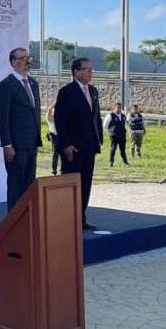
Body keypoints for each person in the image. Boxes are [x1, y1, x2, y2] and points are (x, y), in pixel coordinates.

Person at [53, 58, 103, 230]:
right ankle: (65, 220)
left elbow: (96, 117)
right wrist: (66, 144)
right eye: (86, 69)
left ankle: (80, 219)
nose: (90, 72)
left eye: (91, 69)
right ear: (76, 72)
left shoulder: (94, 91)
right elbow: (60, 120)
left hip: (90, 147)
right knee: (70, 186)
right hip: (73, 149)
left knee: (85, 185)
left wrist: (99, 141)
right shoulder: (67, 91)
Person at [0, 47, 42, 211]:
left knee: (29, 184)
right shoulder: (6, 85)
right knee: (16, 184)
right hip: (16, 145)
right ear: (14, 62)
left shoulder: (33, 83)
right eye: (23, 58)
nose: (28, 60)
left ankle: (26, 220)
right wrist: (7, 144)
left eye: (28, 57)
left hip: (32, 142)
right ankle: (13, 225)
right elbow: (3, 117)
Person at [103, 102, 130, 167]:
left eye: (120, 108)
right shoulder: (110, 115)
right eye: (118, 107)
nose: (119, 109)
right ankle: (111, 162)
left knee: (122, 150)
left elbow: (125, 125)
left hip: (122, 135)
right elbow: (105, 126)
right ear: (115, 108)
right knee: (113, 149)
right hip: (114, 136)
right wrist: (111, 132)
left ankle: (125, 163)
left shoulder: (123, 116)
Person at [46, 102, 61, 175]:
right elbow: (49, 109)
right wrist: (57, 101)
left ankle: (62, 170)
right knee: (56, 154)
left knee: (63, 155)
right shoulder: (50, 118)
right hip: (55, 138)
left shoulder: (60, 118)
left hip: (61, 137)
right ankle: (54, 171)